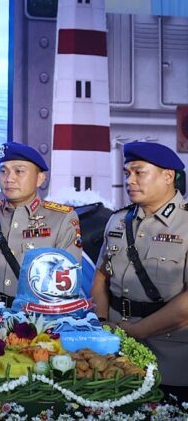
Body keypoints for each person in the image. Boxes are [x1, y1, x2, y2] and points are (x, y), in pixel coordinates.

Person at [91, 141, 188, 403]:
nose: (129, 180)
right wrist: (101, 325)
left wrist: (135, 332)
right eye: (126, 174)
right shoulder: (117, 221)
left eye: (138, 172)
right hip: (115, 354)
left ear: (168, 176)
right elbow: (101, 277)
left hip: (171, 358)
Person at [0, 142, 82, 310]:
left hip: (37, 319)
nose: (9, 178)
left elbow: (64, 286)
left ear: (40, 178)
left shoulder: (62, 219)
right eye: (3, 171)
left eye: (19, 171)